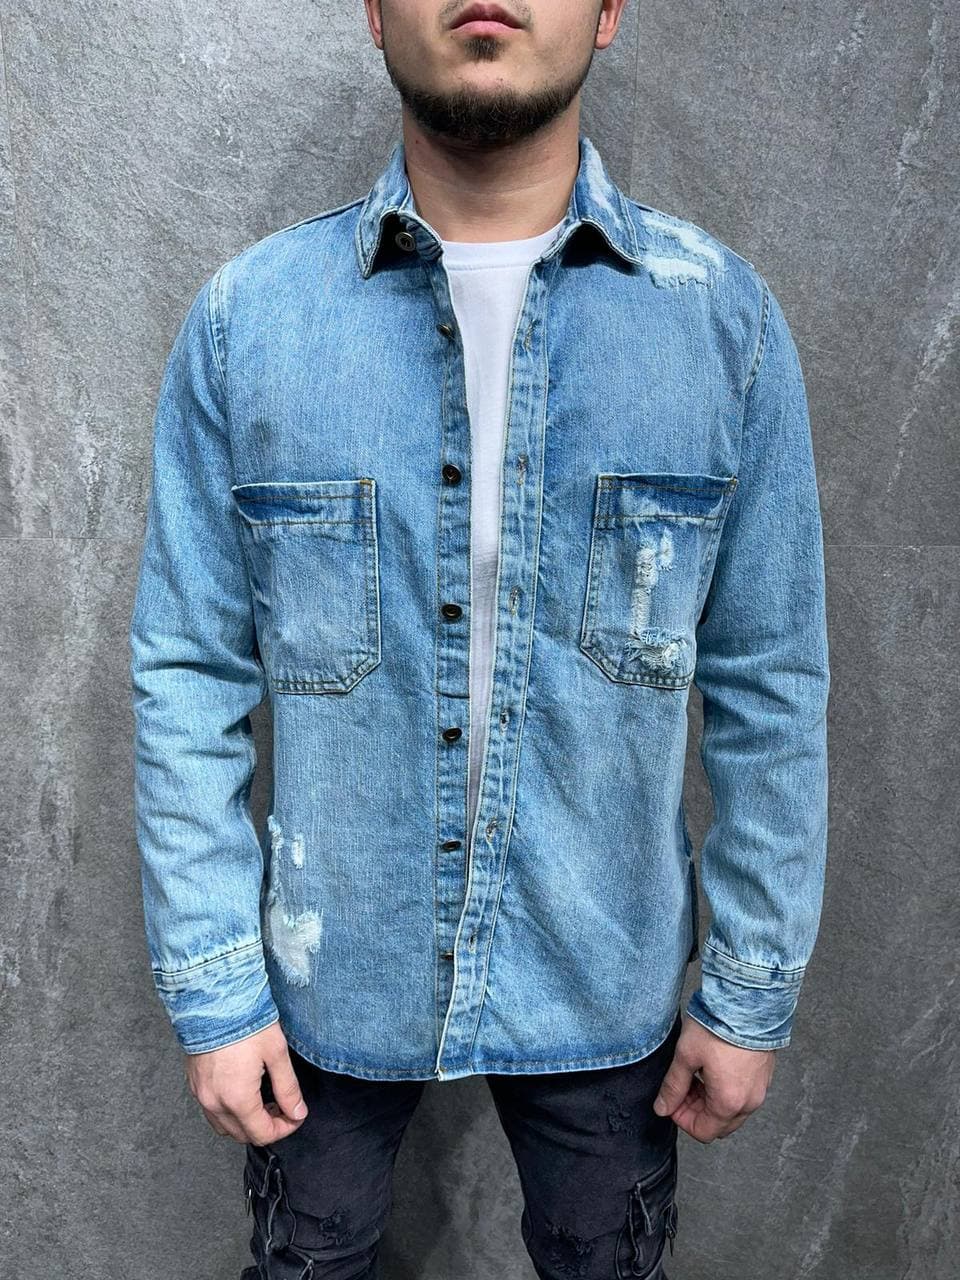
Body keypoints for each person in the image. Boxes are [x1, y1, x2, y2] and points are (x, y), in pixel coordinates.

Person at [128, 2, 831, 1277]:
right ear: (372, 11)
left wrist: (749, 985)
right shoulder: (250, 322)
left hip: (608, 973)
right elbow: (187, 671)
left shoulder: (720, 325)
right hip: (327, 982)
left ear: (608, 11)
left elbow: (771, 681)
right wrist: (216, 983)